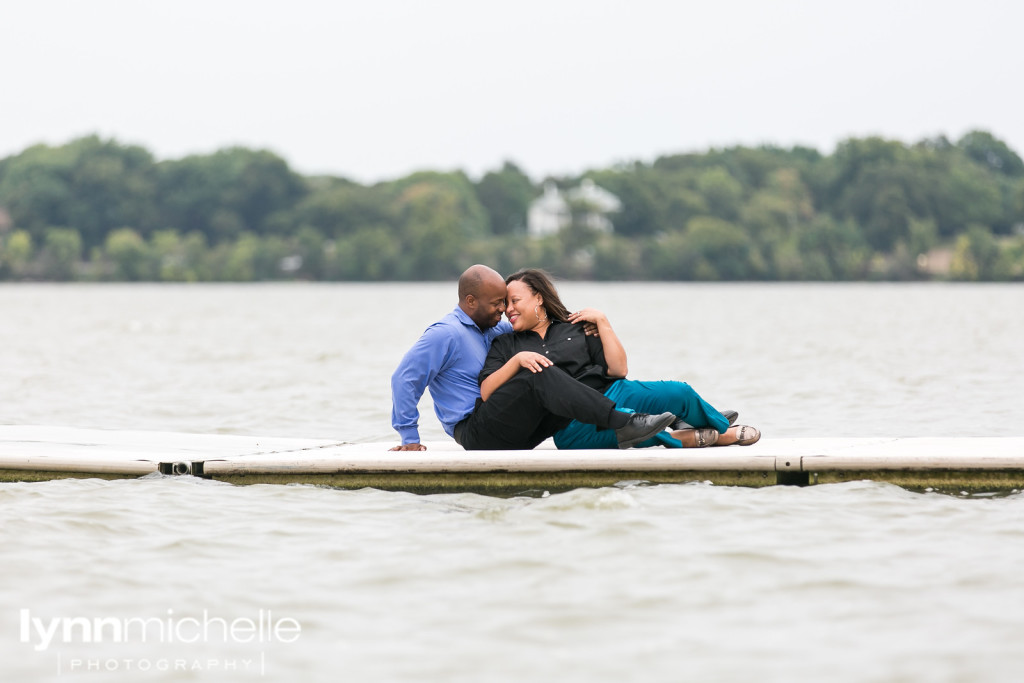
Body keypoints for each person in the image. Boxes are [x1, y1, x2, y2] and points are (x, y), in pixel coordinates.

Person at [390, 264, 677, 451]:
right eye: (496, 303)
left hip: (521, 430)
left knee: (558, 370)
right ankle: (624, 422)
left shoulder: (496, 328)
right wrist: (409, 437)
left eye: (505, 302)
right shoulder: (445, 334)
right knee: (536, 372)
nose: (502, 309)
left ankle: (663, 422)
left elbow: (536, 324)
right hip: (477, 432)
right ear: (470, 302)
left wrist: (584, 323)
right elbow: (404, 379)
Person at [479, 268, 761, 449]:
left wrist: (603, 321)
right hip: (569, 423)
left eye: (515, 301)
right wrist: (516, 361)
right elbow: (487, 391)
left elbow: (619, 369)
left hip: (613, 393)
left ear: (538, 298)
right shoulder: (506, 344)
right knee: (631, 427)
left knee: (681, 392)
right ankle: (708, 435)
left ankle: (707, 425)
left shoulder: (577, 326)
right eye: (505, 305)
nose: (508, 310)